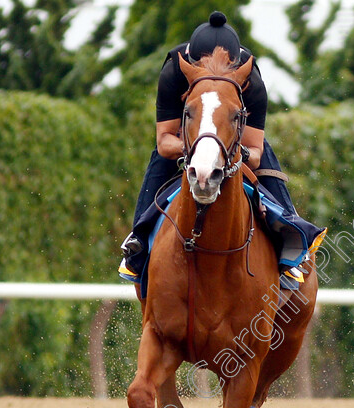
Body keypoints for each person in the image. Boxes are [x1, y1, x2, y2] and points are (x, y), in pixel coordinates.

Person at [119, 11, 324, 286]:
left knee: (274, 186)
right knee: (157, 166)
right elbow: (164, 140)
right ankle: (138, 244)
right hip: (186, 142)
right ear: (190, 64)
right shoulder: (173, 71)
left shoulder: (252, 80)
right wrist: (199, 149)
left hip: (234, 145)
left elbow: (255, 150)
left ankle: (291, 242)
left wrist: (224, 154)